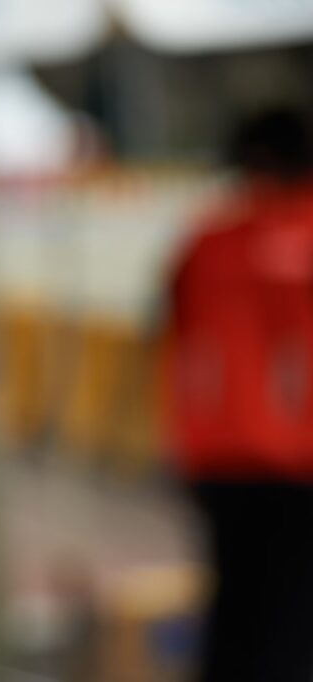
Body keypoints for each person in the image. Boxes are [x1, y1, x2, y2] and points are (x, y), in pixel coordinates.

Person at [165, 108, 313, 682]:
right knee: (293, 618)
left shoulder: (209, 239)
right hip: (298, 456)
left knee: (236, 606)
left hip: (216, 451)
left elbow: (174, 323)